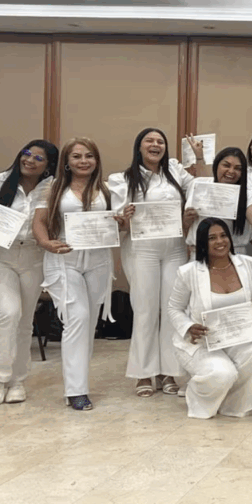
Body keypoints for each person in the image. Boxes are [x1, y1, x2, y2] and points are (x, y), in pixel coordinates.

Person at [108, 128, 203, 399]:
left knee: (172, 310)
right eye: (149, 141)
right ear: (139, 147)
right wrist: (123, 217)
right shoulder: (123, 178)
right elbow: (119, 223)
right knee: (146, 310)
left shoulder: (175, 172)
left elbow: (199, 187)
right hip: (142, 250)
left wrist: (198, 158)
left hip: (174, 248)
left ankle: (169, 371)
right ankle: (143, 373)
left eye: (160, 141)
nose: (155, 144)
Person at [32, 137, 123, 411]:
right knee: (77, 319)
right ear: (67, 162)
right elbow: (38, 222)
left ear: (97, 161)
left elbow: (121, 227)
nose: (84, 161)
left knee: (89, 321)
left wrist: (123, 221)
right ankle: (76, 391)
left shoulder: (107, 190)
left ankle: (80, 381)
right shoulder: (52, 187)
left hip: (98, 260)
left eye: (89, 156)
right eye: (77, 157)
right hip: (63, 258)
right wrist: (47, 243)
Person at [0, 140, 58, 405]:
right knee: (9, 312)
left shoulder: (50, 188)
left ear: (48, 165)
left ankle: (17, 380)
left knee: (25, 320)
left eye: (38, 158)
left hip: (33, 257)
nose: (29, 160)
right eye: (27, 153)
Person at [166, 218, 252, 419]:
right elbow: (174, 308)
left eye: (223, 235)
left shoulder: (248, 265)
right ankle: (197, 395)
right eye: (211, 238)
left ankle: (234, 404)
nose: (220, 241)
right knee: (224, 373)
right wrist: (188, 327)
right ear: (202, 243)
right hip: (202, 342)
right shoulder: (189, 272)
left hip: (235, 339)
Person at [184, 147, 252, 256]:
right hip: (200, 253)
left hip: (234, 254)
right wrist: (186, 220)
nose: (231, 171)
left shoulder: (246, 194)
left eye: (238, 168)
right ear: (216, 165)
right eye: (226, 165)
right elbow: (187, 227)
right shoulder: (197, 184)